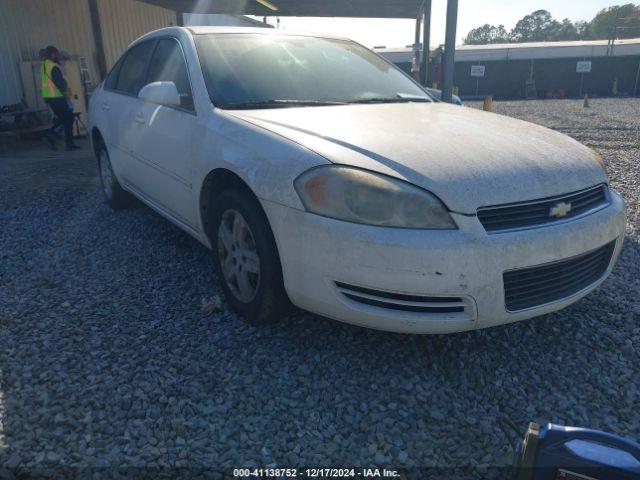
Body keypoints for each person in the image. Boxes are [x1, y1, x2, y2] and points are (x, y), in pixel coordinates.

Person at [40, 46, 80, 151]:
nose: (59, 56)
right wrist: (67, 95)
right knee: (69, 117)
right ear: (52, 54)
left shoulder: (44, 66)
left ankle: (52, 136)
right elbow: (60, 83)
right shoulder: (53, 67)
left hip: (50, 98)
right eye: (57, 54)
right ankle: (58, 139)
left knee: (64, 118)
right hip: (57, 97)